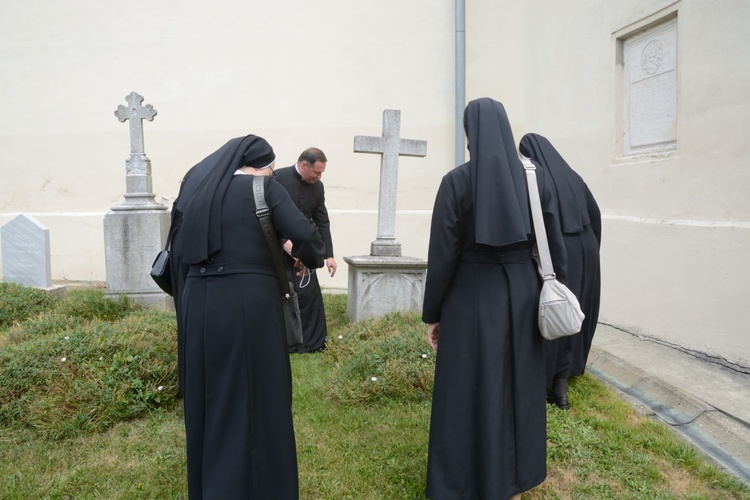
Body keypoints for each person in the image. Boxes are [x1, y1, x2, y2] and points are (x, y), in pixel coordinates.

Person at [423, 98, 568, 499]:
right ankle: (515, 480)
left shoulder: (456, 181)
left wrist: (433, 312)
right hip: (523, 291)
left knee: (467, 386)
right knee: (520, 384)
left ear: (470, 133)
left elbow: (443, 255)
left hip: (471, 295)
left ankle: (463, 480)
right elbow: (554, 244)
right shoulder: (535, 179)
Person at [170, 134, 325, 499]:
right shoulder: (264, 188)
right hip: (249, 302)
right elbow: (305, 232)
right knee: (260, 393)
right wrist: (308, 256)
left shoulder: (198, 189)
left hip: (198, 302)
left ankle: (211, 486)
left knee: (209, 394)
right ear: (263, 165)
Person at [519, 133, 602, 409]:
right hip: (587, 244)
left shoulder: (537, 179)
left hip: (560, 249)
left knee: (553, 306)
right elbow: (595, 212)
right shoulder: (574, 176)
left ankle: (551, 379)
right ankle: (567, 375)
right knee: (575, 309)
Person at [274, 147, 336, 353]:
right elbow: (266, 214)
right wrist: (283, 241)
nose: (319, 177)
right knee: (283, 294)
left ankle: (312, 342)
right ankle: (286, 342)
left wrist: (328, 255)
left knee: (308, 294)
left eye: (322, 173)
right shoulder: (277, 178)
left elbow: (321, 220)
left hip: (305, 249)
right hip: (277, 249)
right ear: (303, 165)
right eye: (316, 172)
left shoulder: (318, 188)